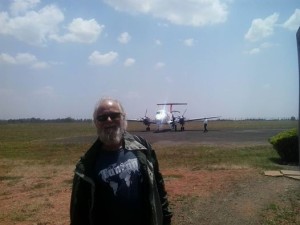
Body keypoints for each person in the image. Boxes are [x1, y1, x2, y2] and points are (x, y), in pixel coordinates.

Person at [70, 97, 172, 225]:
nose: (109, 120)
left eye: (114, 116)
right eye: (102, 118)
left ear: (123, 118)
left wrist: (166, 218)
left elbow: (158, 186)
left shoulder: (143, 147)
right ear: (95, 123)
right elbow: (79, 214)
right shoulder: (85, 166)